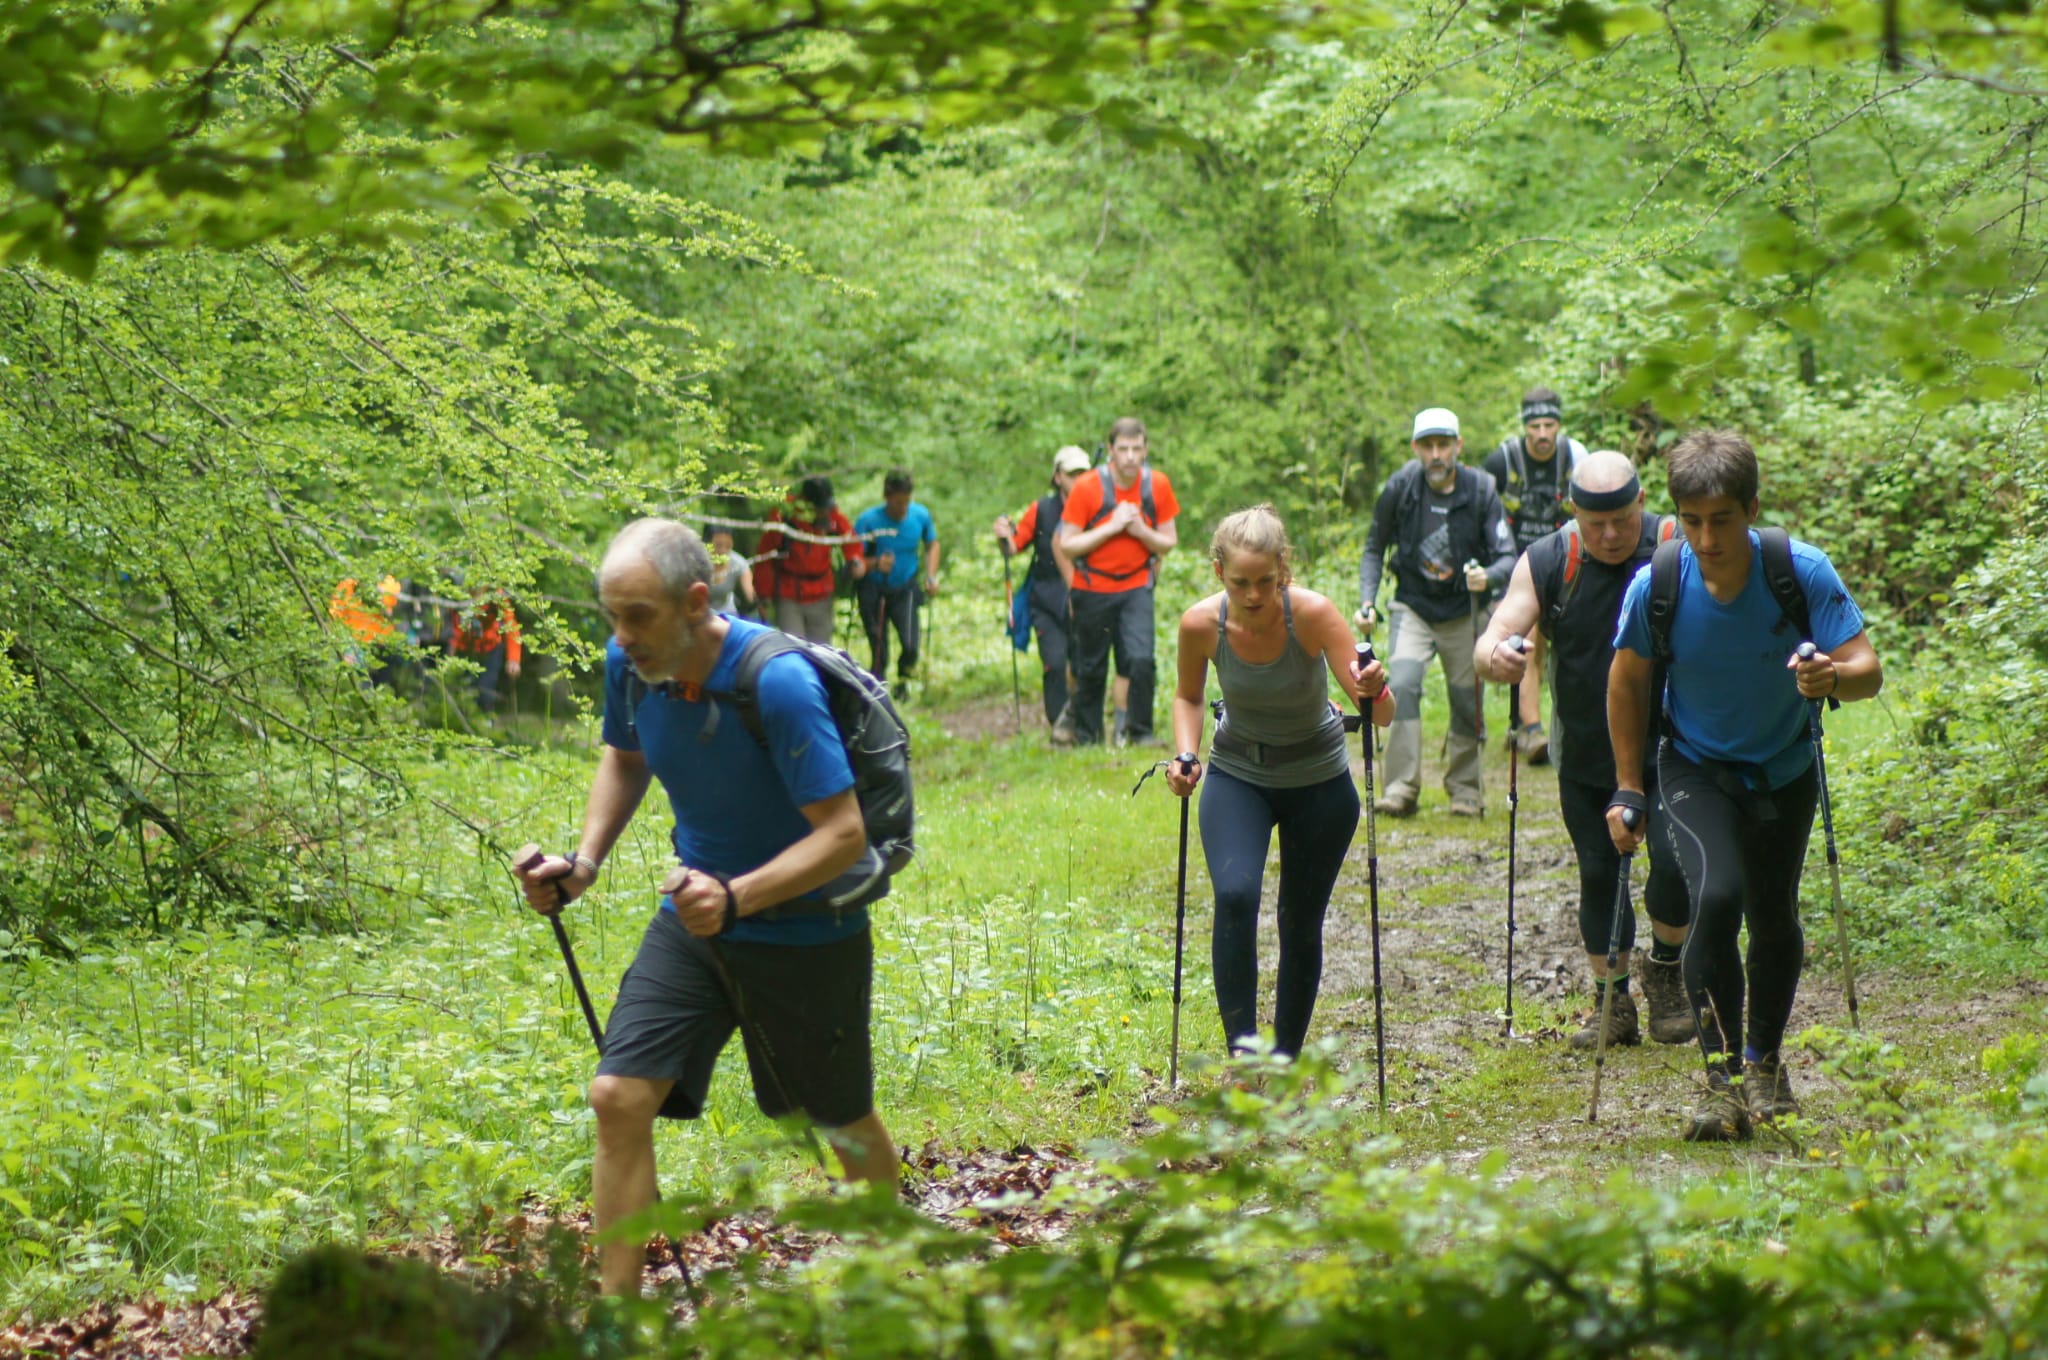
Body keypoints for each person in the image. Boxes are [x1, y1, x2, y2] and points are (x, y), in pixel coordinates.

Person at [513, 518, 899, 1298]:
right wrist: (584, 863)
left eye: (638, 616)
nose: (622, 637)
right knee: (618, 1097)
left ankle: (889, 1276)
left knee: (839, 1120)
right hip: (694, 923)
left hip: (805, 929)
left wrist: (736, 898)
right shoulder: (632, 664)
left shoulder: (777, 682)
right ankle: (616, 1322)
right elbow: (626, 757)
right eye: (611, 616)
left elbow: (844, 834)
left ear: (695, 601)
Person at [1607, 430, 1882, 1141]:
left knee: (1774, 914)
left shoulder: (1800, 571)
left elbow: (1867, 668)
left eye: (1721, 519)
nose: (1705, 537)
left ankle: (1765, 1062)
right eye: (1691, 520)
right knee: (1717, 896)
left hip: (1785, 766)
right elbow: (1628, 678)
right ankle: (1722, 1080)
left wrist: (1832, 678)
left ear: (1750, 509)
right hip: (1694, 765)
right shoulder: (1658, 584)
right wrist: (1629, 786)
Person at [1474, 450, 1691, 1050]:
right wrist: (1501, 657)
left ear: (1642, 503)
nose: (1612, 534)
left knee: (1675, 864)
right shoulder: (1550, 560)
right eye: (1596, 524)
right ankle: (1611, 1002)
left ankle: (1667, 974)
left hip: (1678, 742)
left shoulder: (1676, 547)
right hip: (1589, 750)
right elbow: (1492, 639)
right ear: (1573, 512)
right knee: (1600, 873)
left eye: (1622, 518)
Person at [1165, 506, 1393, 1058]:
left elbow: (1380, 716)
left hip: (1318, 781)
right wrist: (1186, 753)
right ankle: (1244, 1057)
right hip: (1238, 773)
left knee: (1299, 918)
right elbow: (1189, 696)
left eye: (1266, 581)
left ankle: (1285, 1060)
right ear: (1219, 571)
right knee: (1236, 895)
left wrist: (1376, 687)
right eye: (1240, 582)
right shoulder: (1201, 624)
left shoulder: (1312, 615)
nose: (1253, 594)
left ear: (1283, 569)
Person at [1355, 407, 1516, 817]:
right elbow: (1374, 548)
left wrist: (1488, 577)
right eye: (1428, 446)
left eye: (1444, 445)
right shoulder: (1401, 488)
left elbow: (1507, 557)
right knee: (1403, 684)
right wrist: (1367, 600)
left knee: (1467, 698)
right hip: (1413, 606)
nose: (1437, 454)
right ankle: (1400, 788)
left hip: (1465, 610)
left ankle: (1465, 791)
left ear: (1458, 447)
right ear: (1416, 449)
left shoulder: (1481, 490)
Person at [1056, 417, 1180, 747]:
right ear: (1110, 450)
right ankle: (1088, 737)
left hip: (1137, 585)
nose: (1129, 456)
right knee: (1091, 666)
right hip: (1092, 588)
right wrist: (1111, 527)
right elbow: (1067, 544)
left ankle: (1140, 732)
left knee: (1140, 659)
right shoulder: (1087, 487)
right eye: (1122, 449)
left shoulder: (1157, 485)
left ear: (1145, 450)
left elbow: (1168, 540)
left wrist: (1140, 530)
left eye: (1136, 449)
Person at [1481, 387, 1589, 765]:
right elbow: (1480, 512)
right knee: (1526, 636)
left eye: (1549, 424)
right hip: (1513, 569)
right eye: (1535, 426)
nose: (1543, 433)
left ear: (1559, 424)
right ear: (1524, 426)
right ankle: (1530, 728)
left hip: (1567, 565)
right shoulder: (1501, 462)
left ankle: (1546, 725)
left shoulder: (1577, 458)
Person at [994, 445, 1090, 727]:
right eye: (1072, 474)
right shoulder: (1042, 509)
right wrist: (1003, 536)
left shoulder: (1097, 508)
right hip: (1045, 600)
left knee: (1083, 663)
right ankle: (1059, 724)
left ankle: (1082, 721)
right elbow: (1014, 546)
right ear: (1058, 477)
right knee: (1055, 663)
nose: (1078, 479)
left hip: (1085, 596)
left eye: (1083, 473)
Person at [854, 468, 941, 686]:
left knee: (911, 643)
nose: (902, 508)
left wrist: (931, 576)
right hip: (874, 589)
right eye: (897, 502)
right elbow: (853, 562)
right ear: (887, 497)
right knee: (879, 648)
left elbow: (932, 544)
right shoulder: (868, 521)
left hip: (905, 587)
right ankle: (879, 689)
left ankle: (904, 682)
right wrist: (874, 563)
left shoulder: (920, 516)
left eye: (906, 501)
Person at [755, 476, 867, 644]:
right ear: (807, 503)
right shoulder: (784, 515)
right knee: (794, 647)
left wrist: (856, 561)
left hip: (821, 593)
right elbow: (765, 556)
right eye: (820, 507)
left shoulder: (832, 516)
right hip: (789, 594)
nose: (825, 512)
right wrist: (763, 595)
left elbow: (851, 542)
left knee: (821, 651)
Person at [450, 586, 521, 710]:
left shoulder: (496, 594)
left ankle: (487, 721)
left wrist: (513, 659)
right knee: (463, 692)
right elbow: (452, 623)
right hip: (464, 649)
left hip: (490, 647)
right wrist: (452, 646)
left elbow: (511, 625)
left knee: (485, 692)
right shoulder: (458, 591)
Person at [705, 523, 759, 618]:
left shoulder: (738, 563)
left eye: (727, 544)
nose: (723, 548)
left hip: (726, 613)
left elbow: (749, 592)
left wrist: (755, 601)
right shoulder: (698, 560)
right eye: (719, 544)